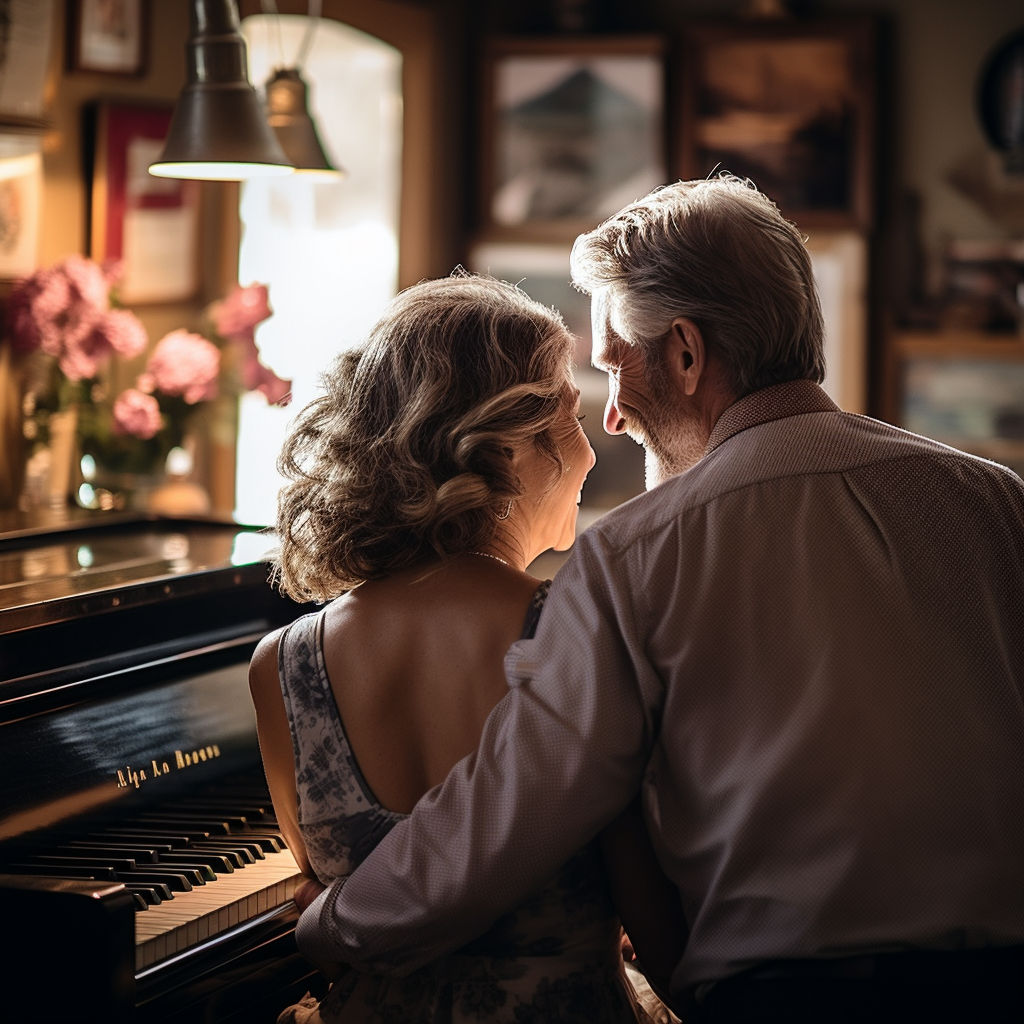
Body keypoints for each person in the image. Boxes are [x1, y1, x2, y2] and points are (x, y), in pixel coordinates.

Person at [294, 176, 1024, 1023]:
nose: (610, 421)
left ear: (683, 351)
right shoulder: (996, 501)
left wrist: (332, 926)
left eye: (613, 366)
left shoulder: (635, 554)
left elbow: (509, 811)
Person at [249, 273, 681, 1023]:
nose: (589, 449)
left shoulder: (283, 666)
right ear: (509, 452)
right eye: (571, 415)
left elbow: (324, 906)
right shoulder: (579, 632)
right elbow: (653, 918)